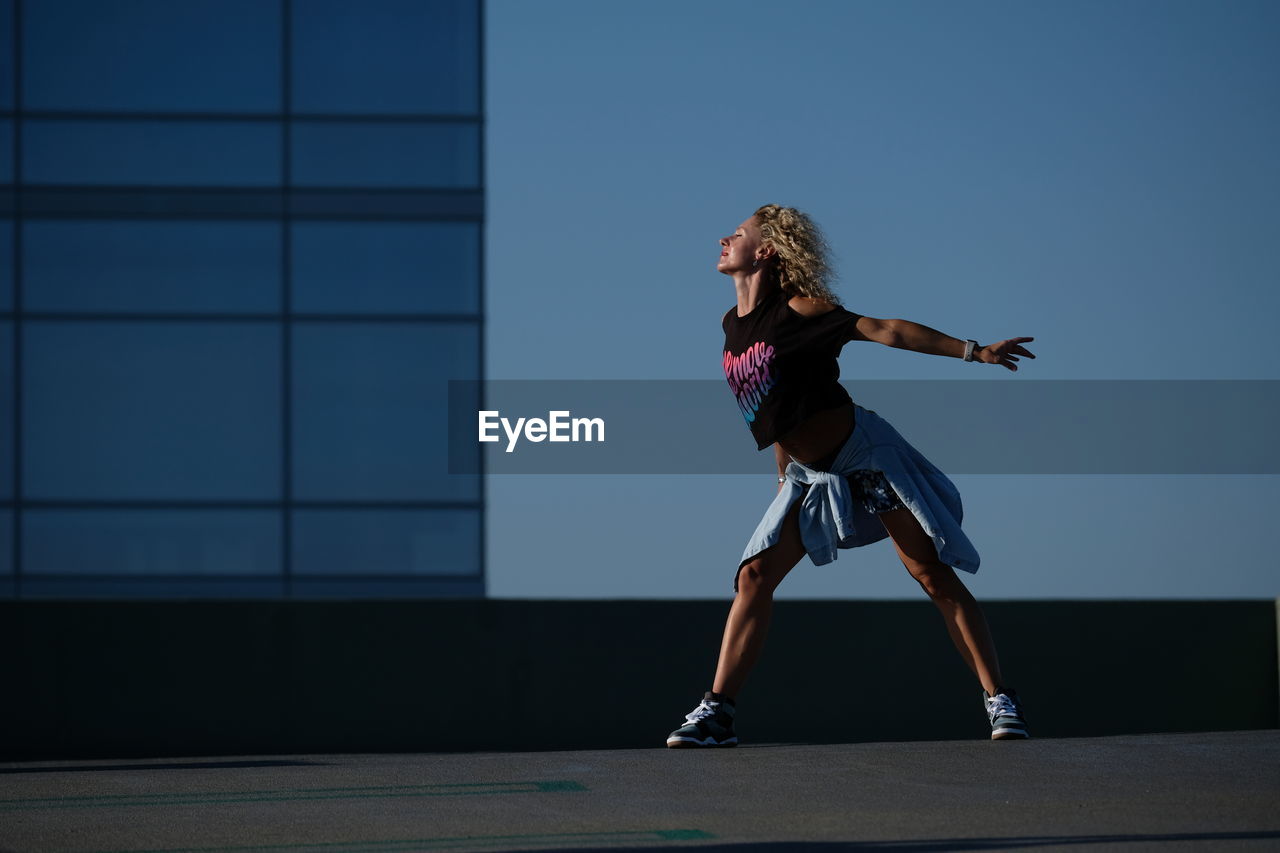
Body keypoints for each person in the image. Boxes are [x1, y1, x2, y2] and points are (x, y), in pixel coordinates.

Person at [666, 204, 1037, 748]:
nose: (725, 238)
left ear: (765, 251)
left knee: (930, 574)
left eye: (738, 234)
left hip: (865, 457)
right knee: (753, 577)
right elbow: (776, 414)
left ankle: (999, 700)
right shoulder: (732, 326)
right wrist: (782, 483)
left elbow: (885, 330)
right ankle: (717, 714)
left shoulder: (802, 310)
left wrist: (973, 352)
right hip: (807, 473)